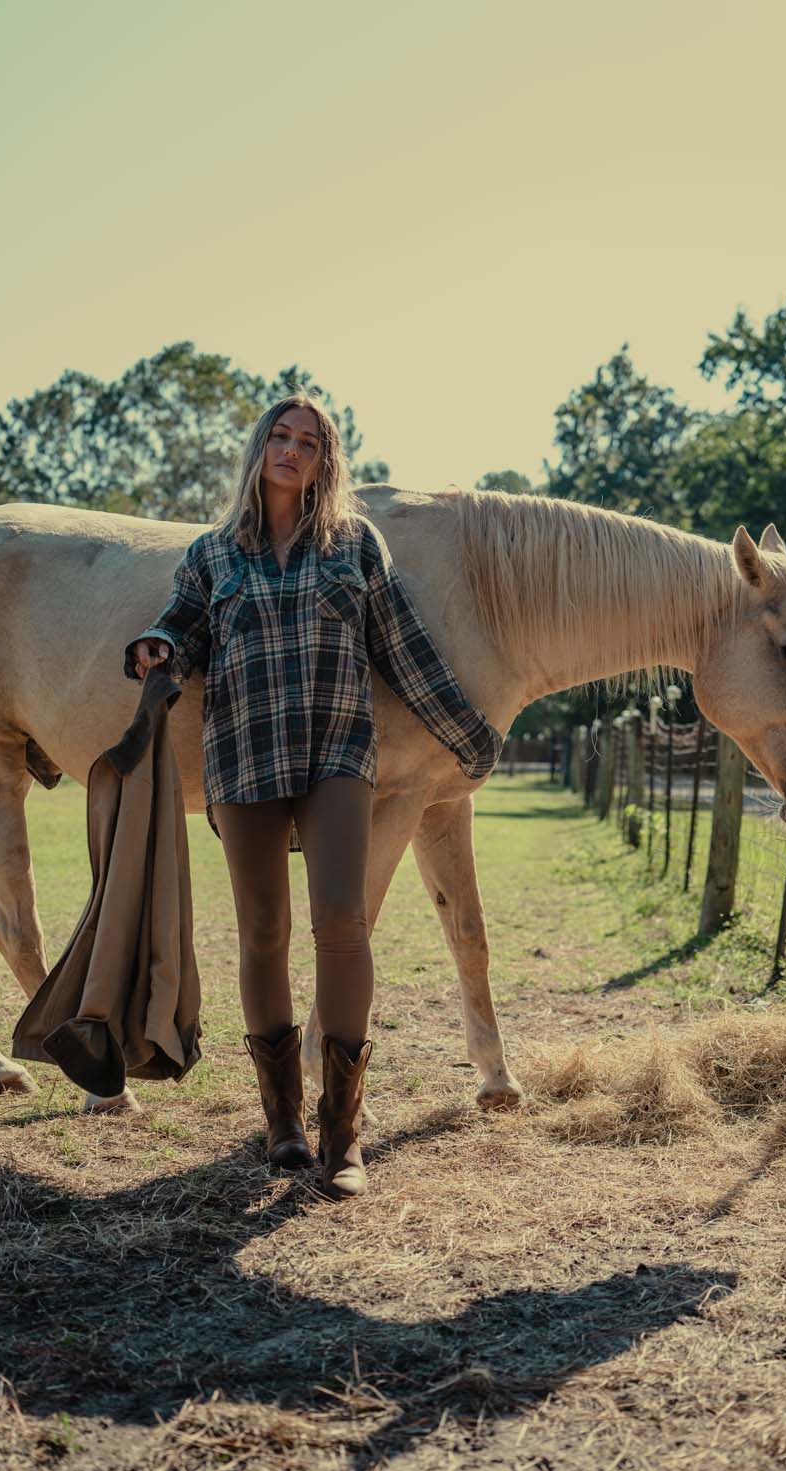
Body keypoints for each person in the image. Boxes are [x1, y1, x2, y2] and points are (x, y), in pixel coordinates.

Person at [123, 393, 502, 1198]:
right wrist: (157, 646)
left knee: (342, 918)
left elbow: (406, 649)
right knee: (263, 931)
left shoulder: (356, 546)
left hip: (337, 753)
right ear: (260, 450)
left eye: (308, 442)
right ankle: (283, 1124)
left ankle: (344, 1135)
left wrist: (470, 733)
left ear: (327, 461)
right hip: (243, 757)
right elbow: (181, 628)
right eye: (280, 437)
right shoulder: (213, 553)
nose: (291, 451)